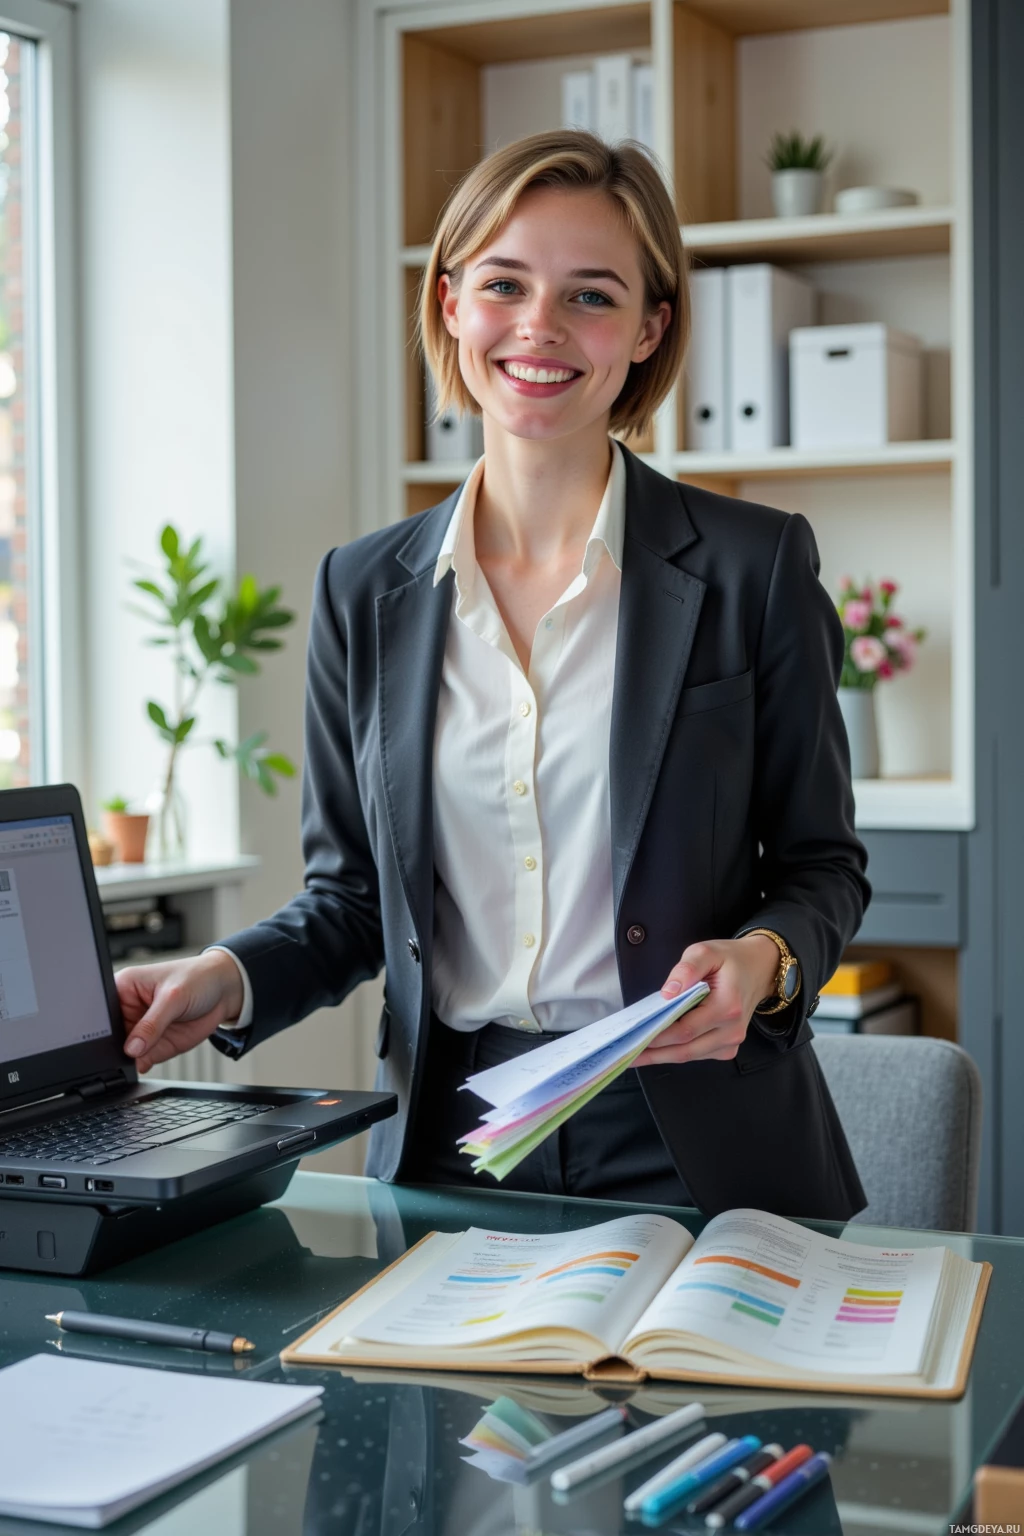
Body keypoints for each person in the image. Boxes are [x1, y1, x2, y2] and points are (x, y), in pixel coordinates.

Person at [116, 131, 870, 1218]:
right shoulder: (360, 588)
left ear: (649, 327)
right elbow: (352, 901)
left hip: (701, 1134)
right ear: (451, 303)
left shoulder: (755, 565)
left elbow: (822, 865)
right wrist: (222, 980)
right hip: (455, 1140)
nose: (539, 328)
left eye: (591, 296)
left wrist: (766, 958)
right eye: (505, 284)